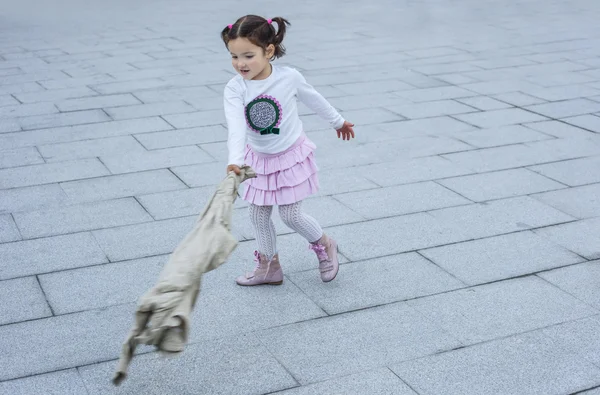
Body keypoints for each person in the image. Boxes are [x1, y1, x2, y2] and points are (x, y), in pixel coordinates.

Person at [221, 15, 355, 286]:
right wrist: (235, 161)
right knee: (258, 215)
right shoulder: (235, 88)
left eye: (248, 55)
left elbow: (314, 99)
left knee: (290, 215)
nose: (240, 64)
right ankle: (269, 267)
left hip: (290, 156)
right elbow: (235, 126)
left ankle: (325, 244)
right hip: (258, 160)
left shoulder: (289, 77)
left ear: (268, 51)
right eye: (234, 57)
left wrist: (338, 121)